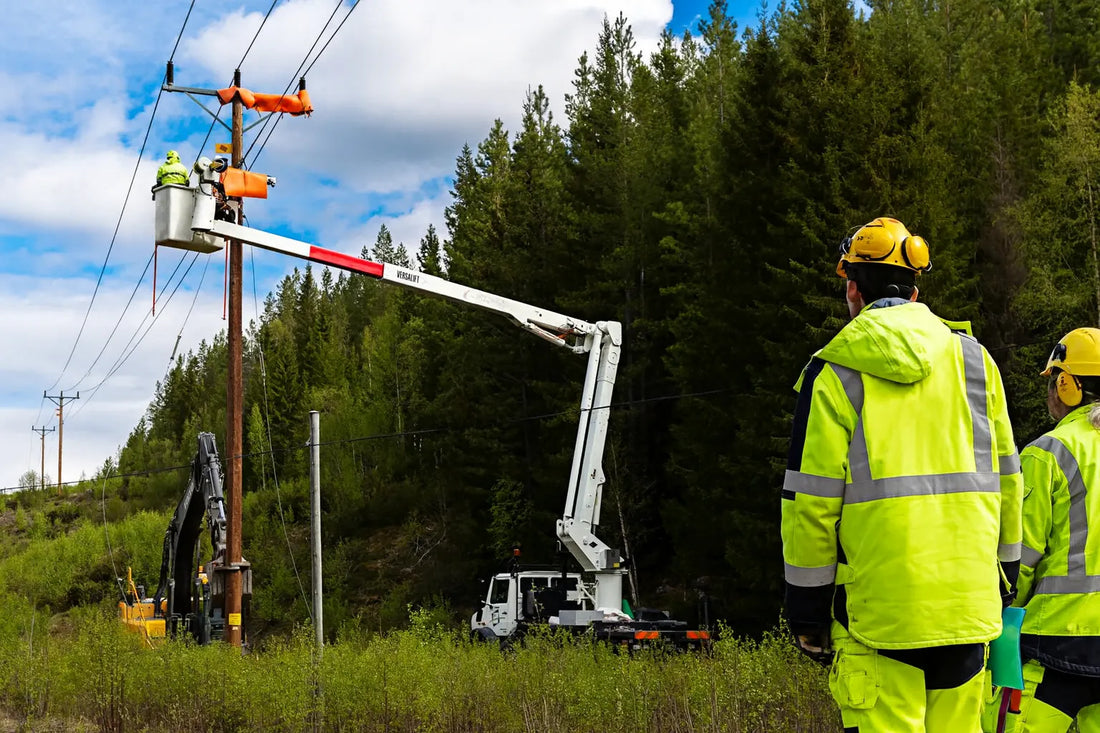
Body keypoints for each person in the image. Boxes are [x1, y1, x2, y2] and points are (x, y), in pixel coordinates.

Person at [781, 216, 1024, 731]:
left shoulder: (833, 373)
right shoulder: (977, 364)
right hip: (967, 612)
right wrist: (1004, 578)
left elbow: (810, 503)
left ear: (852, 288)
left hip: (877, 618)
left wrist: (806, 609)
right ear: (916, 290)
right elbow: (1008, 480)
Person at [986, 328, 1100, 731]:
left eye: (1054, 379)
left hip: (1053, 643)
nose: (1051, 389)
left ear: (1068, 385)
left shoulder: (1048, 452)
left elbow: (1020, 558)